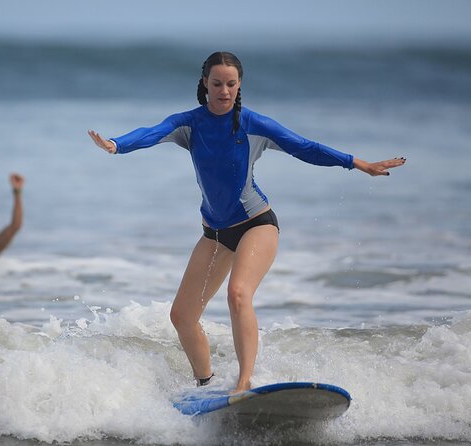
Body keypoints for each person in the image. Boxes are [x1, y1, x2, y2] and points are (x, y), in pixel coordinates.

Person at [88, 51, 406, 394]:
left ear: (239, 86)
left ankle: (243, 383)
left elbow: (305, 147)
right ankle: (205, 385)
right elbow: (152, 132)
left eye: (231, 84)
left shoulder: (254, 124)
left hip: (257, 225)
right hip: (215, 234)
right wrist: (116, 144)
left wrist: (357, 163)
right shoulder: (189, 123)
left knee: (238, 295)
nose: (224, 91)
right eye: (217, 84)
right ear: (204, 85)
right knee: (182, 316)